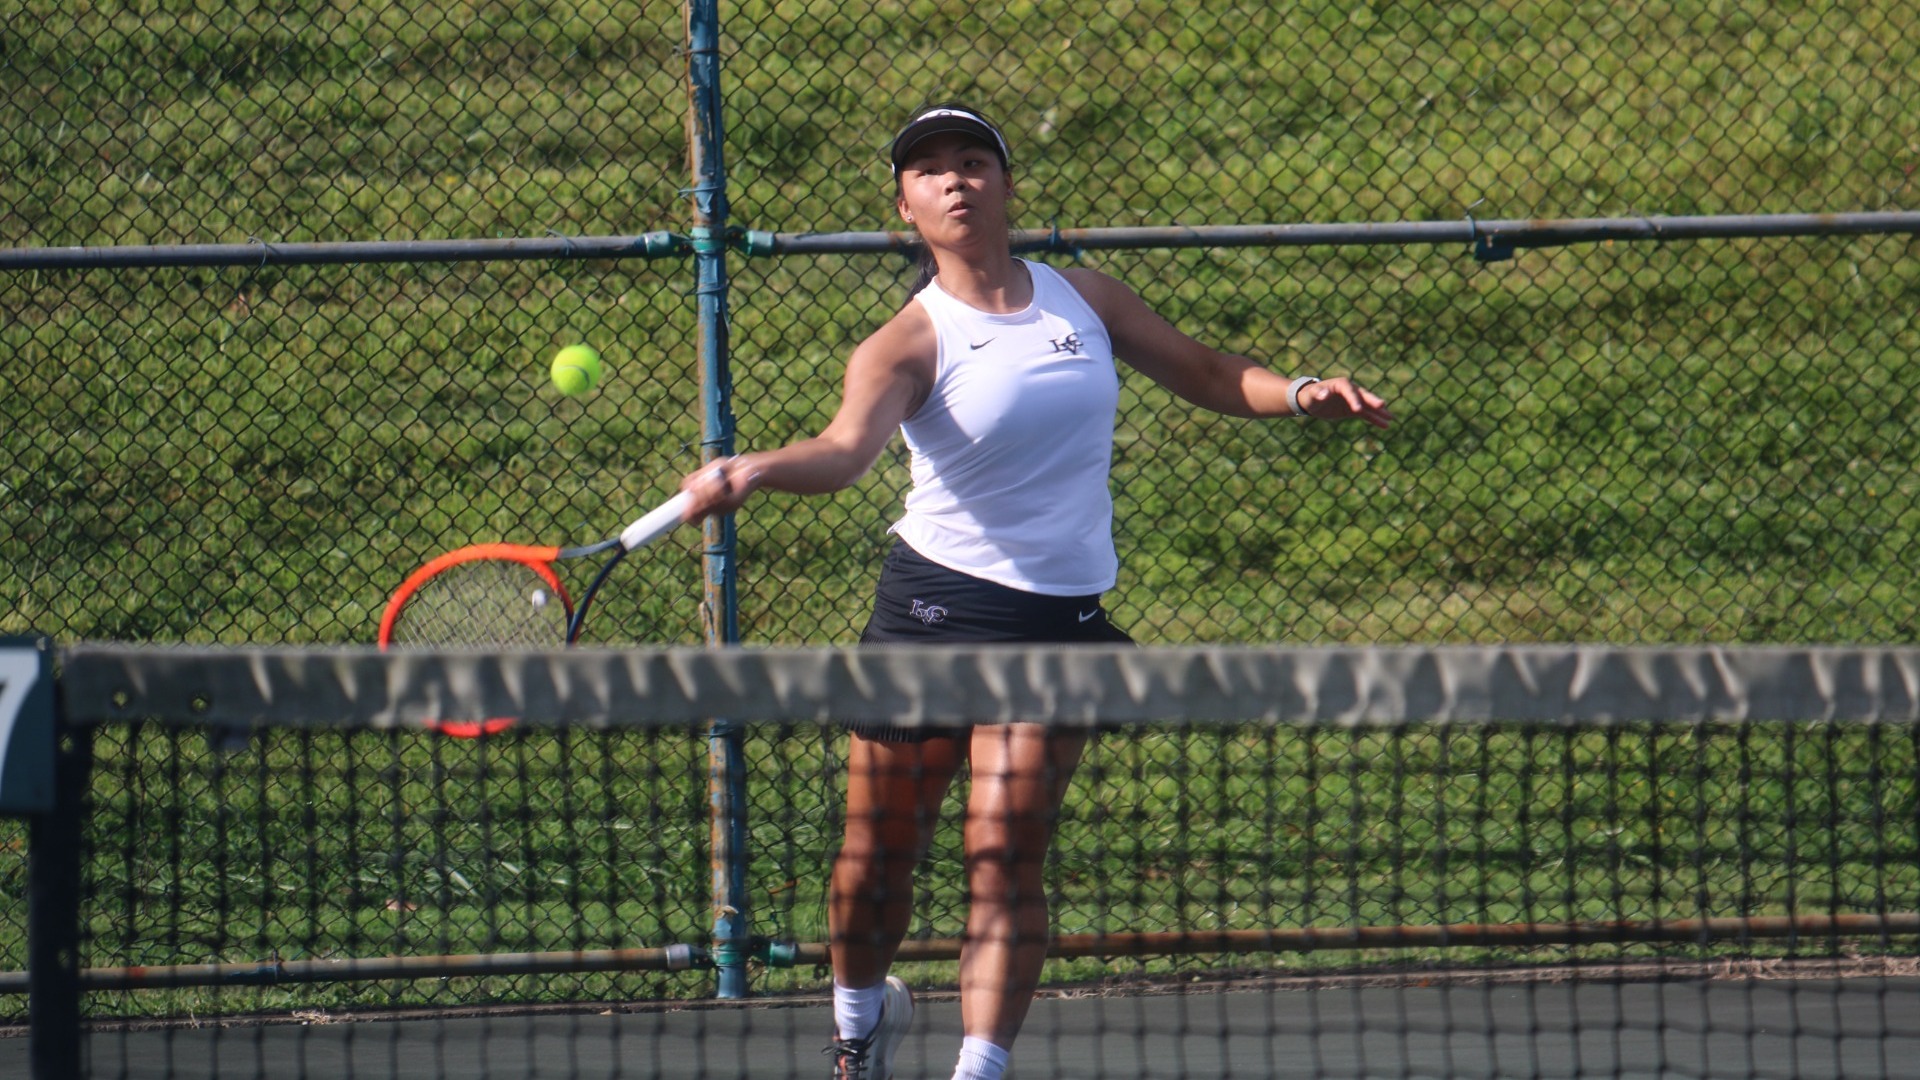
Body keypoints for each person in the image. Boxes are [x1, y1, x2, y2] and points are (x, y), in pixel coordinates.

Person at [676, 102, 1392, 1080]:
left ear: (1008, 186)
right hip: (932, 615)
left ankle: (981, 1070)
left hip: (1057, 628)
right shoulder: (904, 343)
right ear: (907, 205)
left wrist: (1302, 389)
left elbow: (1210, 371)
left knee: (1004, 852)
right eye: (931, 170)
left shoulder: (1084, 300)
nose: (956, 180)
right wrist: (755, 468)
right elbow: (843, 454)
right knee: (877, 863)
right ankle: (857, 1029)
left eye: (974, 161)